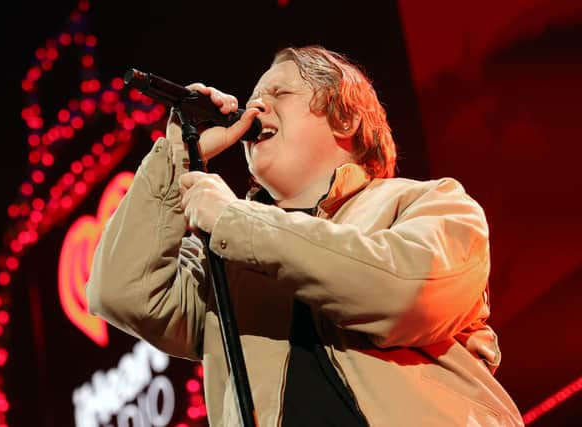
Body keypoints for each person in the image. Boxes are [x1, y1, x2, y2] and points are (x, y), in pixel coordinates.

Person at [86, 45, 524, 426]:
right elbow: (122, 291)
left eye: (279, 94)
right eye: (253, 99)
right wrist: (180, 154)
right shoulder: (228, 262)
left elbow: (407, 292)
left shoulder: (428, 203)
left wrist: (238, 221)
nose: (254, 110)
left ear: (346, 118)